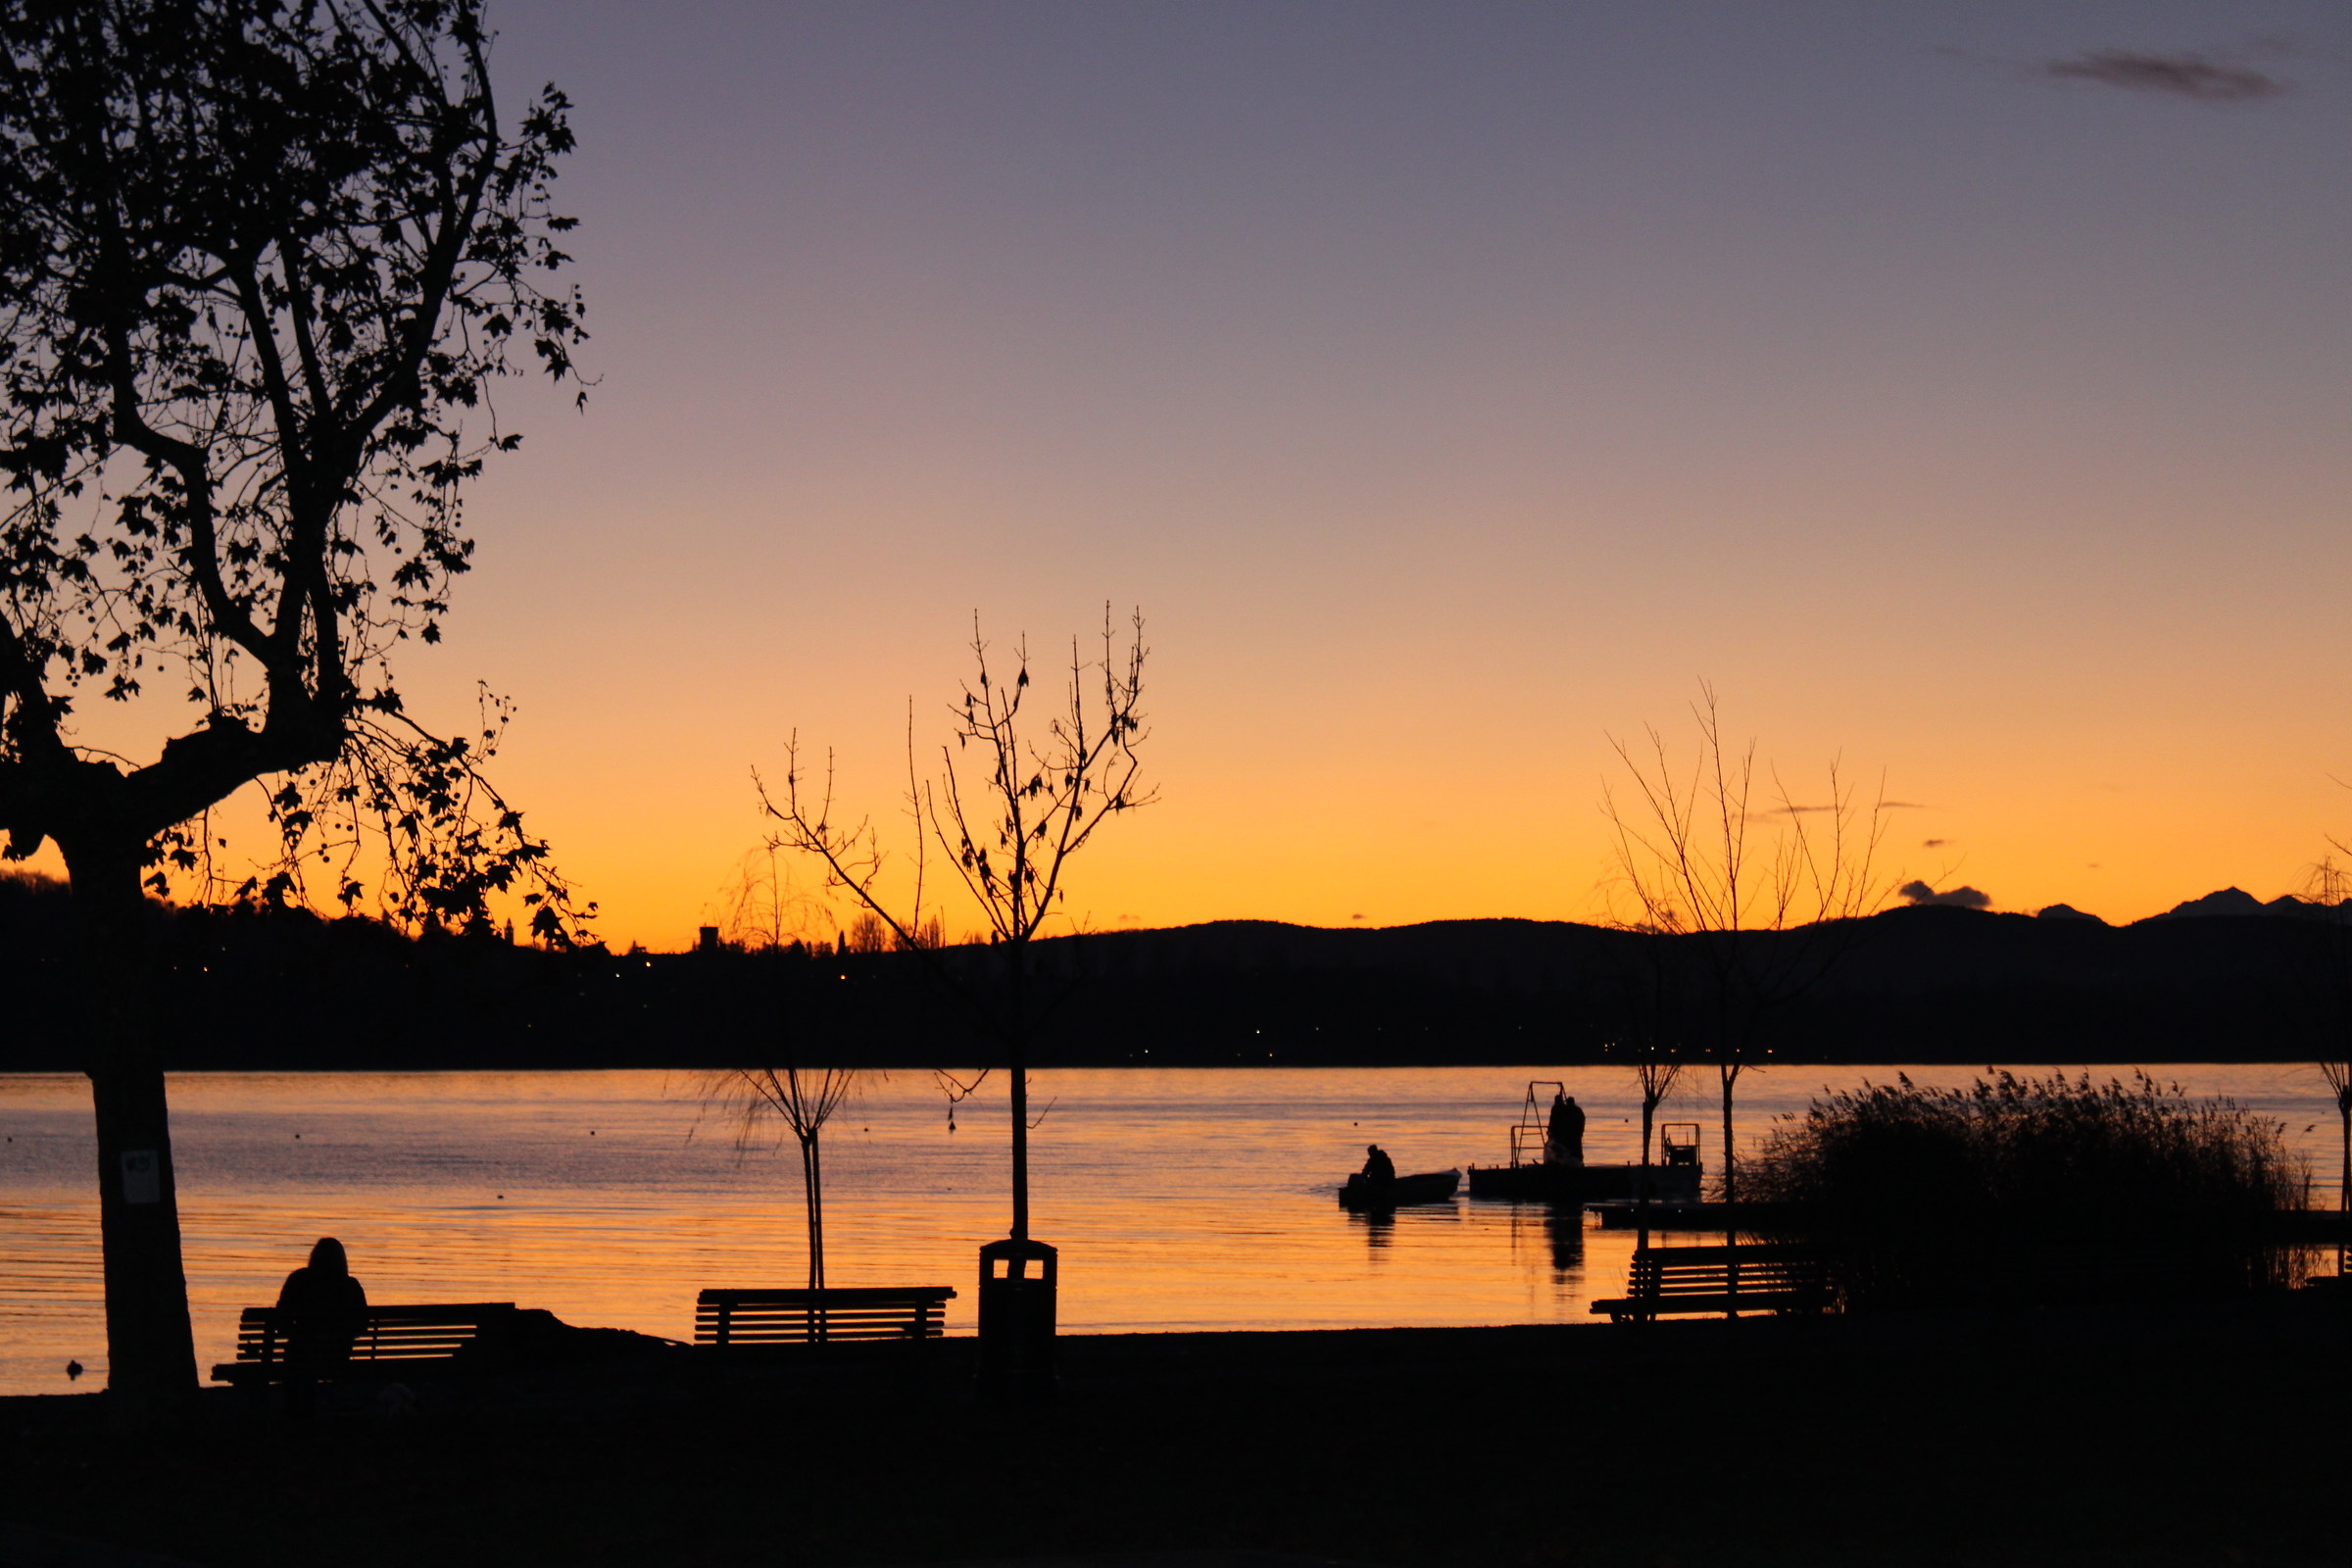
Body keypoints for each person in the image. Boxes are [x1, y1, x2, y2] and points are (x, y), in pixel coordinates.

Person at [276, 1236, 368, 1396]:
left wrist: (300, 1334)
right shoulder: (350, 1286)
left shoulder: (299, 1280)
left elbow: (281, 1322)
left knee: (298, 1364)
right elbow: (362, 1325)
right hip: (338, 1357)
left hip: (300, 1356)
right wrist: (342, 1334)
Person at [1545, 1093, 1587, 1168]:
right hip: (1570, 1133)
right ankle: (1566, 1162)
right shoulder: (1570, 1110)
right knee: (1570, 1148)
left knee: (1570, 1148)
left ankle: (1572, 1162)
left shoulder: (1568, 1110)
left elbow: (1556, 1121)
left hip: (1570, 1133)